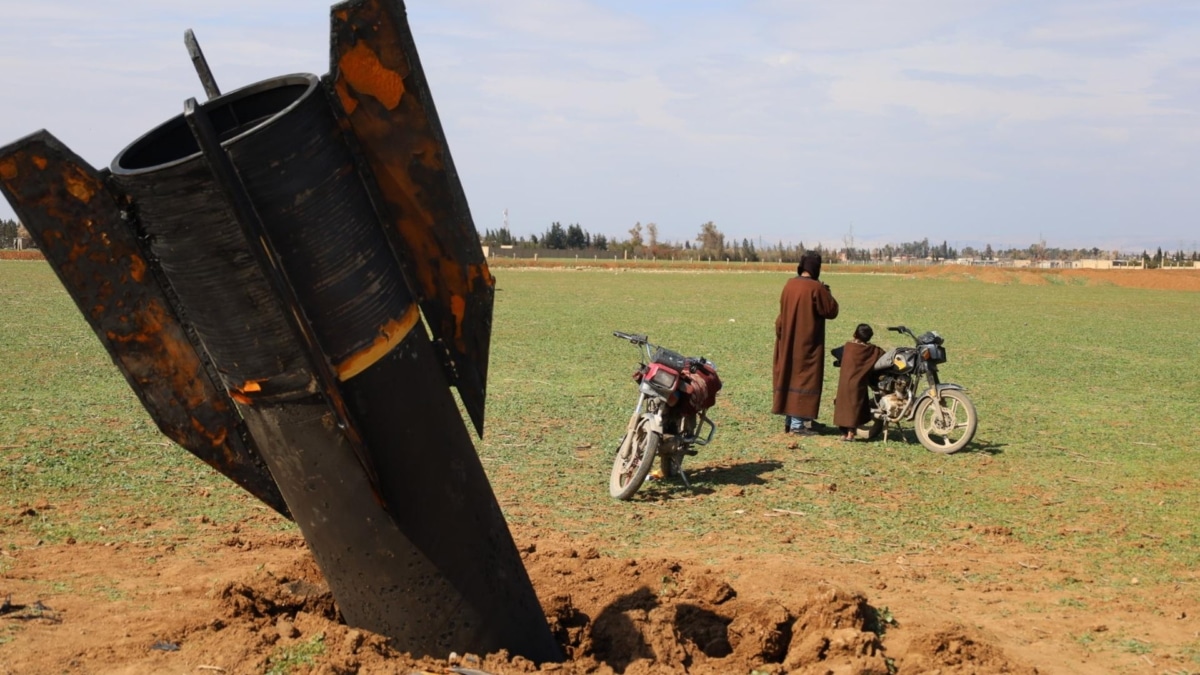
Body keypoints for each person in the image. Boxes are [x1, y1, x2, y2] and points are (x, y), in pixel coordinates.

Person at [772, 252, 839, 435]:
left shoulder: (789, 284)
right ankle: (797, 424)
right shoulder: (815, 288)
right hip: (807, 343)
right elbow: (831, 311)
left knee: (790, 375)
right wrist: (827, 292)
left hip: (787, 340)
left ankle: (797, 420)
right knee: (804, 378)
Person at [832, 323, 886, 441]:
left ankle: (844, 434)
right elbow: (883, 354)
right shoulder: (873, 350)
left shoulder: (848, 347)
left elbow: (834, 351)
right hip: (858, 385)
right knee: (854, 409)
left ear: (854, 334)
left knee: (843, 407)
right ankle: (851, 433)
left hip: (844, 384)